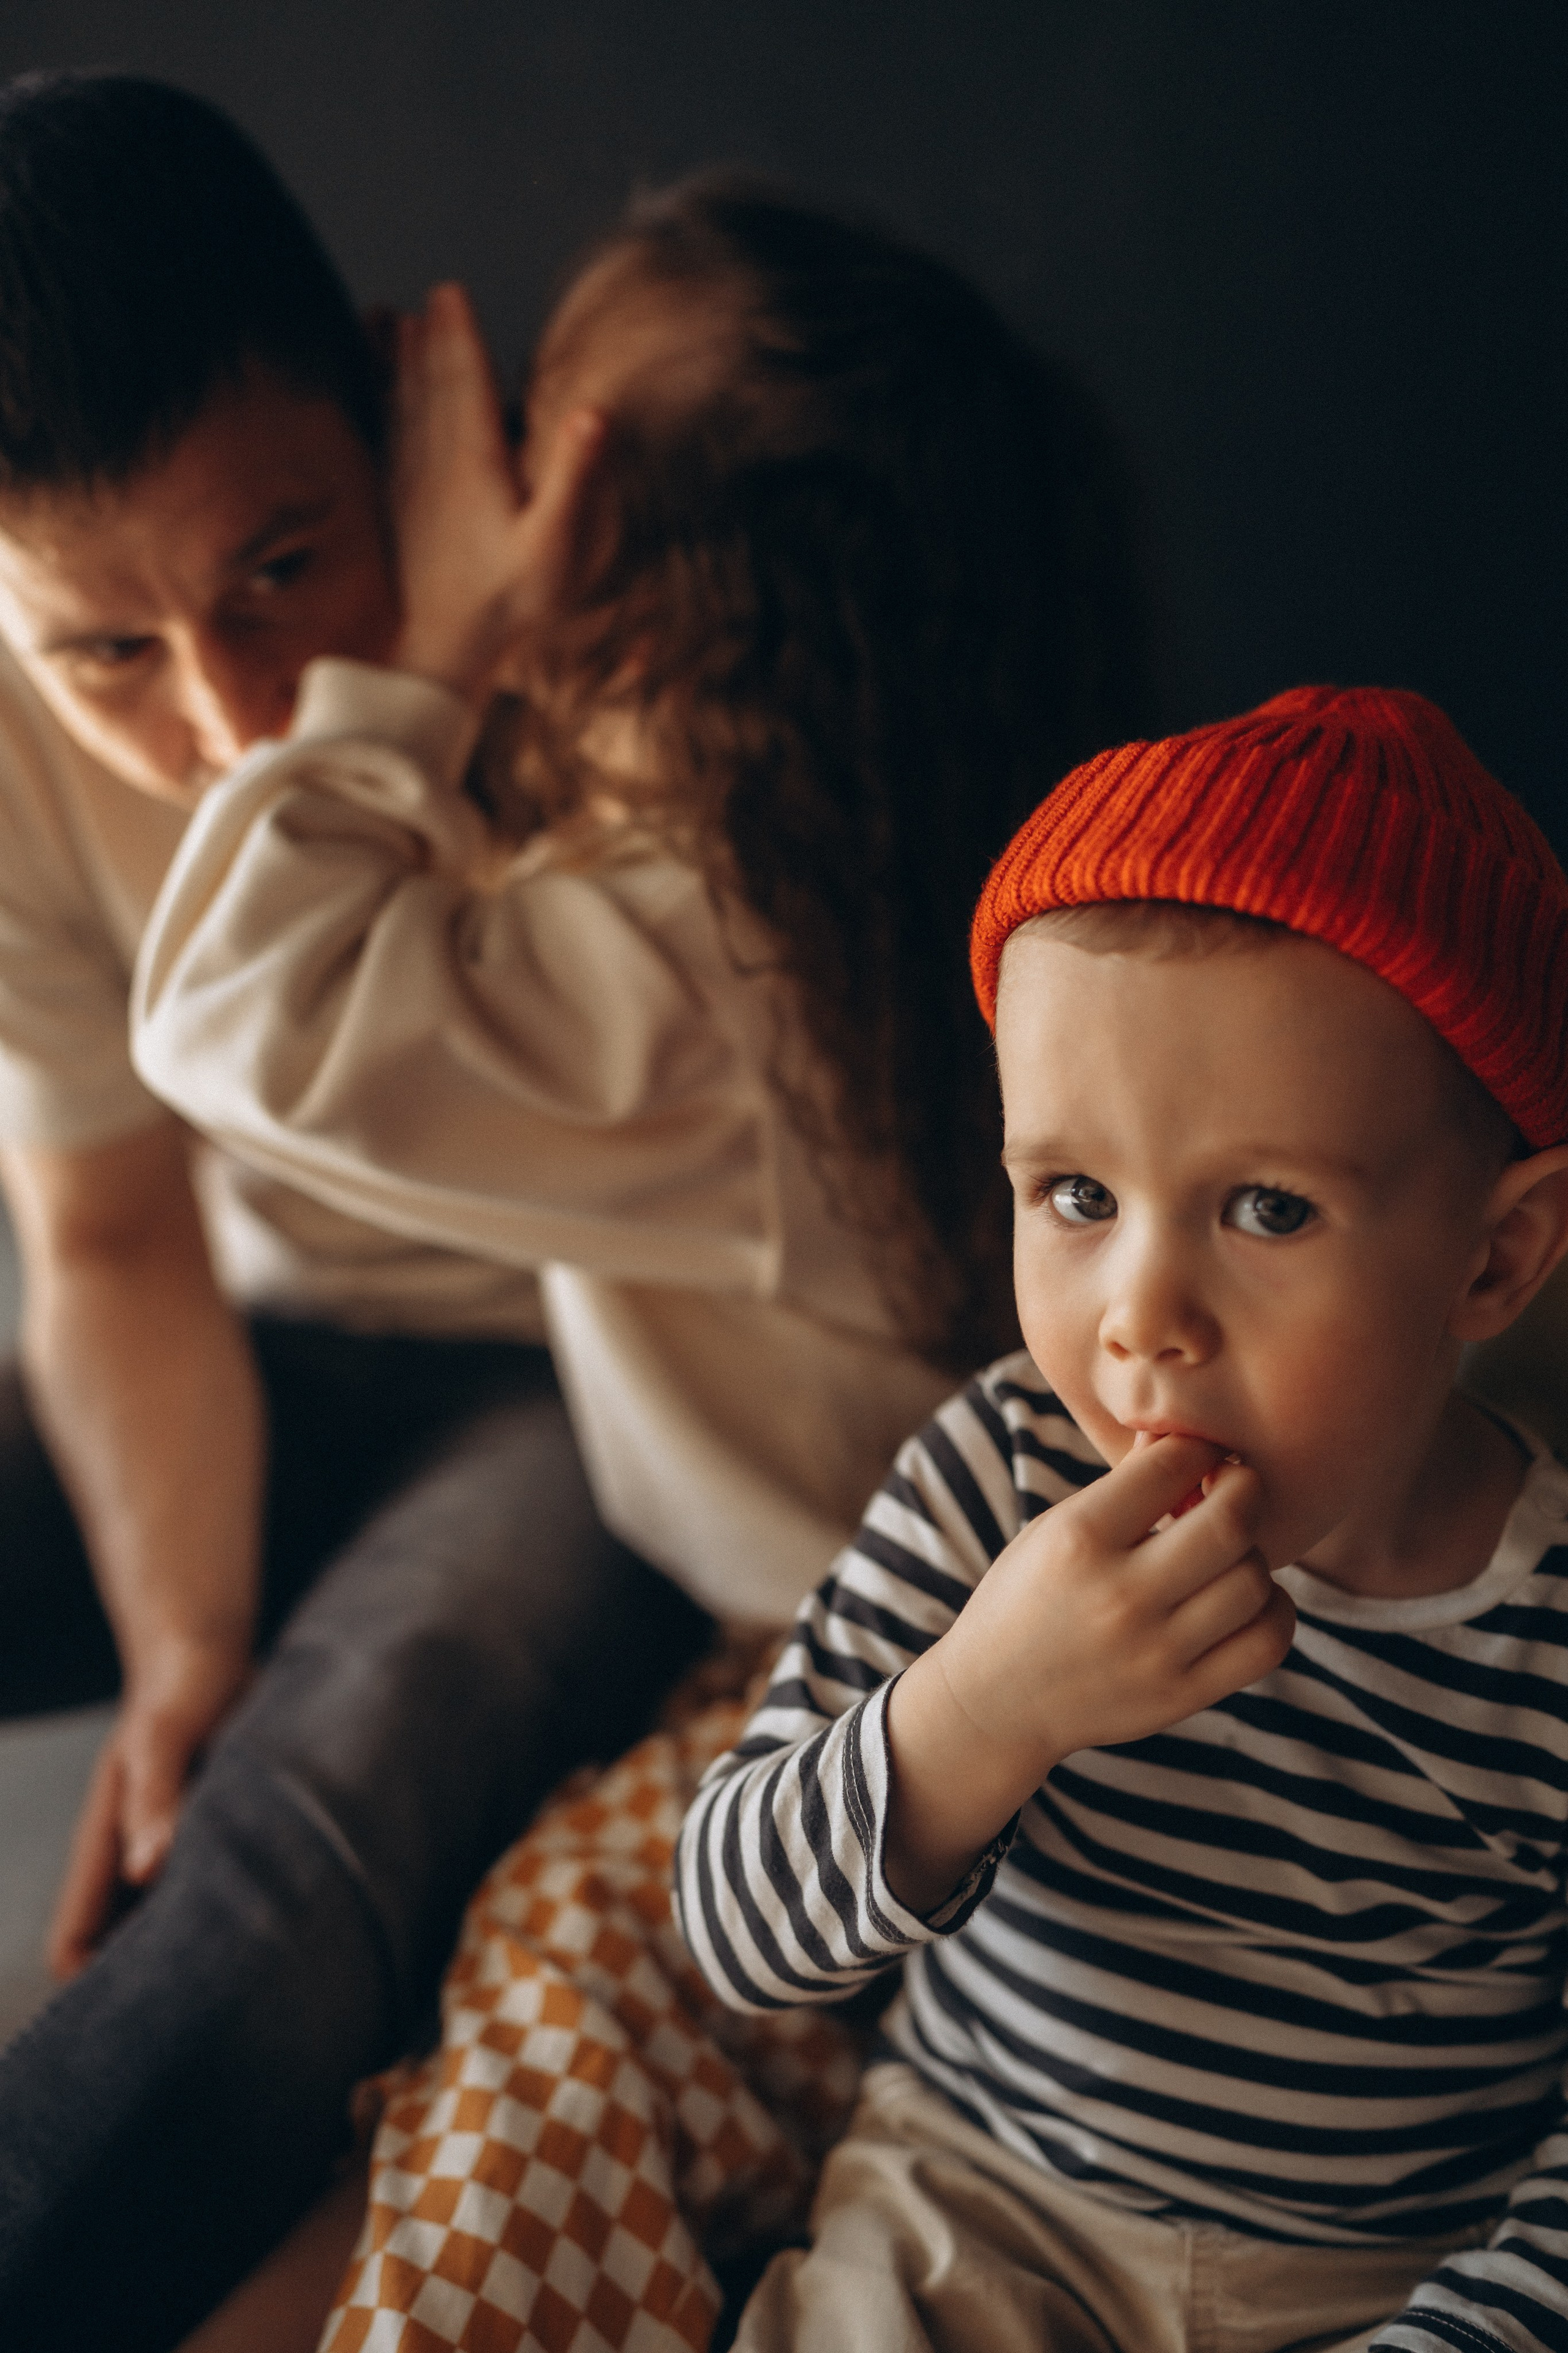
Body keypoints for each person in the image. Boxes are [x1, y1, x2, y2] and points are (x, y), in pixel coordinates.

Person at [123, 179, 1146, 2351]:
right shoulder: (809, 862)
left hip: (843, 1658)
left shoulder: (712, 951)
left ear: (643, 580)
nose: (473, 483)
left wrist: (421, 653)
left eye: (542, 456)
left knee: (550, 2006)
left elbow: (241, 1025)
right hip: (816, 1613)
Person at [0, 74, 716, 2352]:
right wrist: (181, 1626)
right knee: (238, 1705)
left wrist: (426, 666)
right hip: (250, 1332)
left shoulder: (625, 582)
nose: (224, 713)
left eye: (282, 565)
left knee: (318, 1809)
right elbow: (108, 1239)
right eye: (101, 649)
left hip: (577, 1367)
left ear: (406, 396)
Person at [676, 686, 1568, 2353]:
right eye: (1074, 1195)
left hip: (1387, 2283)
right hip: (981, 2205)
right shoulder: (998, 1476)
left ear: (1494, 1258)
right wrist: (986, 1708)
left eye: (1267, 1208)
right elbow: (735, 1927)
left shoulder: (1546, 1635)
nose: (1141, 1313)